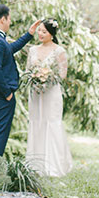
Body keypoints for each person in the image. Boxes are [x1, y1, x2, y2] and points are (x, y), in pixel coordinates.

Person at [0, 4, 41, 161]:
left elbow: (9, 49)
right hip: (1, 94)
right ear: (3, 19)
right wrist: (7, 93)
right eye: (9, 19)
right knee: (0, 131)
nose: (10, 22)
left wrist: (29, 34)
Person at [25, 18, 73, 176]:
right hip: (36, 94)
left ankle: (54, 166)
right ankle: (35, 165)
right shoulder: (32, 50)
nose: (40, 34)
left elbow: (62, 75)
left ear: (51, 34)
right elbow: (28, 71)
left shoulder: (59, 51)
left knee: (51, 123)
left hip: (51, 93)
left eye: (44, 31)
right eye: (39, 30)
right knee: (37, 122)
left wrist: (47, 77)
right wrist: (36, 78)